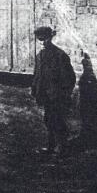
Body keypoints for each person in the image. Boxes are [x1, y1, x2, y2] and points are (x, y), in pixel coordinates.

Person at [31, 26, 76, 155]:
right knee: (48, 120)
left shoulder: (60, 55)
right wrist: (35, 88)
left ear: (50, 38)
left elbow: (69, 78)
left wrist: (63, 93)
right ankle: (51, 145)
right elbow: (37, 74)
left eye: (44, 39)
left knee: (58, 120)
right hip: (45, 95)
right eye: (39, 40)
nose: (41, 42)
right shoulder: (40, 55)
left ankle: (62, 147)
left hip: (57, 96)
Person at [76, 51, 97, 150]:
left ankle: (92, 139)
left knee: (91, 118)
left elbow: (92, 91)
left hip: (90, 101)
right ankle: (87, 137)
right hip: (86, 101)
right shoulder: (87, 76)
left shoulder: (90, 76)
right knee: (86, 118)